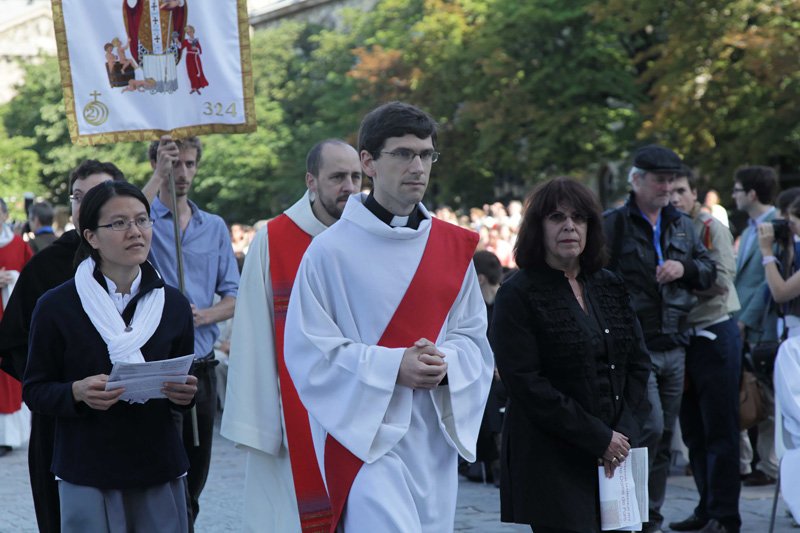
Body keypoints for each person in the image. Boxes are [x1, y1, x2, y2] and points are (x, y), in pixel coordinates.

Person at [283, 101, 493, 531]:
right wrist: (394, 365)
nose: (417, 165)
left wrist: (446, 363)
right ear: (369, 162)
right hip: (364, 441)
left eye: (426, 154)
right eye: (402, 153)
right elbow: (309, 353)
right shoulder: (328, 252)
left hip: (432, 441)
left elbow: (474, 338)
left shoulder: (453, 249)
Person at [23, 181, 197, 533]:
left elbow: (183, 388)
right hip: (87, 470)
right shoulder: (57, 306)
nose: (135, 232)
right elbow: (35, 390)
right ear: (91, 236)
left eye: (142, 220)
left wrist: (187, 395)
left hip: (157, 465)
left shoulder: (173, 304)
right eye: (119, 223)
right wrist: (75, 391)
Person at [490, 177, 650, 532]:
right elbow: (526, 383)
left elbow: (637, 362)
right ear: (538, 227)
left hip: (615, 450)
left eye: (579, 218)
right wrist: (598, 437)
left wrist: (620, 434)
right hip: (552, 456)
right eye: (557, 217)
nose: (569, 226)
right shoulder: (517, 293)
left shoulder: (609, 284)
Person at [221, 139, 362, 532]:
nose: (349, 186)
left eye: (355, 177)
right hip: (294, 410)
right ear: (311, 182)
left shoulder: (374, 235)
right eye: (337, 177)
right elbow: (253, 331)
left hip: (360, 401)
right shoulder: (274, 238)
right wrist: (261, 420)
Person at [0, 161, 125, 533]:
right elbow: (13, 344)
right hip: (62, 426)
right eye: (78, 197)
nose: (85, 205)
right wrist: (62, 388)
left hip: (128, 426)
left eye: (98, 195)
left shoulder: (142, 264)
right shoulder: (45, 267)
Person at [604, 145, 715, 533]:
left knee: (665, 433)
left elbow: (709, 271)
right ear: (637, 181)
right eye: (659, 179)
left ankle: (649, 514)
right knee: (648, 425)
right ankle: (629, 507)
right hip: (636, 344)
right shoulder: (614, 223)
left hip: (675, 340)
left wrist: (682, 266)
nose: (667, 186)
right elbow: (595, 276)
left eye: (671, 179)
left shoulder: (682, 224)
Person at [142, 135, 239, 524]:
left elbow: (234, 295)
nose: (182, 173)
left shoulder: (213, 226)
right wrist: (155, 176)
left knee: (196, 471)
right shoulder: (142, 219)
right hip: (157, 365)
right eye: (174, 164)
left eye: (189, 164)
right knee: (160, 471)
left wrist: (204, 316)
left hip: (201, 365)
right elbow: (122, 210)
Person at [668, 171, 743, 533]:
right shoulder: (666, 227)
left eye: (681, 190)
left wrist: (681, 275)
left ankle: (725, 516)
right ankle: (705, 507)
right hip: (682, 338)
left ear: (694, 193)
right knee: (694, 432)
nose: (674, 197)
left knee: (720, 430)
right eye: (668, 191)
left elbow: (721, 282)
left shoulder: (710, 227)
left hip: (715, 332)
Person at [731, 165, 780, 486]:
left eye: (736, 189)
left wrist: (745, 321)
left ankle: (771, 466)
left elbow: (769, 282)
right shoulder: (749, 229)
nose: (733, 195)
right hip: (744, 322)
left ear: (751, 193)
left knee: (769, 399)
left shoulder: (777, 225)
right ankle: (754, 464)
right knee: (751, 394)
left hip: (764, 325)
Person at [0, 197, 33, 458]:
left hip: (9, 316)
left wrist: (14, 277)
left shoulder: (19, 244)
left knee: (9, 375)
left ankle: (9, 437)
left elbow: (32, 275)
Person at [182, 26, 208, 95]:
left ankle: (198, 86)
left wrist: (196, 48)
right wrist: (176, 40)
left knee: (198, 71)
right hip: (189, 58)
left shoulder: (196, 40)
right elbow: (180, 47)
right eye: (188, 32)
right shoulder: (186, 41)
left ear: (193, 31)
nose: (189, 33)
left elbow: (200, 51)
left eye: (190, 31)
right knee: (191, 73)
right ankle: (194, 87)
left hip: (196, 57)